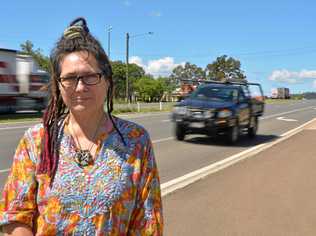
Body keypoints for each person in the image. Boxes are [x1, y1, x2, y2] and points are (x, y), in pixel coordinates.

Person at [0, 17, 163, 235]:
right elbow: (15, 214)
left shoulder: (135, 140)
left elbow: (148, 222)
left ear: (106, 80)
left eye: (89, 77)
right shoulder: (37, 140)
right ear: (58, 85)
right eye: (69, 78)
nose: (79, 87)